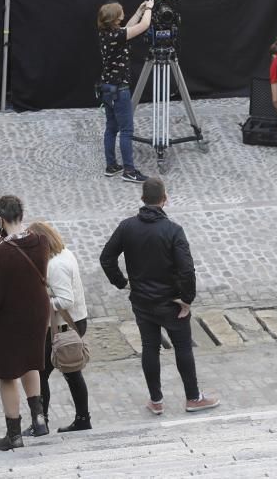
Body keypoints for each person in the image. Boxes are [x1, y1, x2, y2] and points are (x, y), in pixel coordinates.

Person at [100, 177, 219, 415]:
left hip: (142, 302)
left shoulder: (127, 227)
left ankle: (156, 400)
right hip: (171, 303)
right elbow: (186, 269)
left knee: (149, 348)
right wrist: (187, 299)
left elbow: (106, 258)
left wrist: (123, 283)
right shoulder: (173, 230)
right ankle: (193, 397)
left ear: (143, 199)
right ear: (165, 199)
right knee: (183, 347)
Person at [0, 195, 51, 450]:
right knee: (30, 362)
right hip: (37, 314)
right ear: (21, 215)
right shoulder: (42, 242)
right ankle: (39, 419)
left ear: (0, 219)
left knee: (7, 374)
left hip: (10, 319)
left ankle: (14, 434)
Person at [26, 221, 92, 433]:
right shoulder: (65, 254)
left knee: (42, 373)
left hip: (64, 327)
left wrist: (41, 302)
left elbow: (65, 300)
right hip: (72, 323)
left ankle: (41, 422)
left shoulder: (55, 265)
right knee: (71, 373)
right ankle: (82, 418)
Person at [96, 0, 155, 183]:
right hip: (120, 89)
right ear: (115, 17)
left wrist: (139, 9)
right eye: (121, 11)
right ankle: (129, 171)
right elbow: (144, 26)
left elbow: (129, 28)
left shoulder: (107, 33)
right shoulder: (117, 35)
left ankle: (111, 165)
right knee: (127, 131)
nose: (124, 11)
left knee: (111, 128)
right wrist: (150, 9)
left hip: (106, 88)